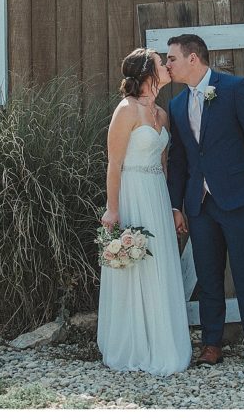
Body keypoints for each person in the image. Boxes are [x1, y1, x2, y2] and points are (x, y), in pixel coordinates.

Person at [165, 34, 244, 368]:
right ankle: (212, 344)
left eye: (171, 58)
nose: (167, 64)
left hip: (243, 200)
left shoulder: (235, 89)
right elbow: (179, 161)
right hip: (200, 207)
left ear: (193, 59)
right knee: (208, 278)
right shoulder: (176, 105)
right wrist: (176, 205)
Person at [97, 48, 192, 376]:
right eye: (160, 62)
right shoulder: (126, 110)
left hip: (156, 194)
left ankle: (162, 343)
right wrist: (113, 209)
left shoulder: (162, 115)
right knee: (137, 266)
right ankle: (134, 345)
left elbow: (165, 165)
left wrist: (169, 206)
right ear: (147, 74)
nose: (167, 65)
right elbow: (114, 164)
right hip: (132, 192)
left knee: (159, 265)